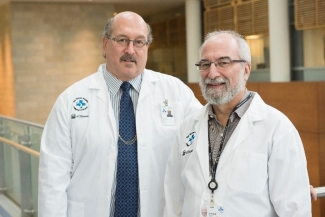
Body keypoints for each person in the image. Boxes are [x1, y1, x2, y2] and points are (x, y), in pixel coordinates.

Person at [38, 11, 202, 217]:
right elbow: (52, 179)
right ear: (105, 44)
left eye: (139, 42)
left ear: (147, 47)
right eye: (122, 40)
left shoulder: (178, 94)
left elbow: (204, 146)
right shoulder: (70, 101)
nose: (130, 50)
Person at [164, 30, 312, 217]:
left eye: (223, 63)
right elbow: (173, 199)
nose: (212, 72)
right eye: (205, 64)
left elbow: (294, 210)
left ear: (246, 70)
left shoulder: (277, 129)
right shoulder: (188, 127)